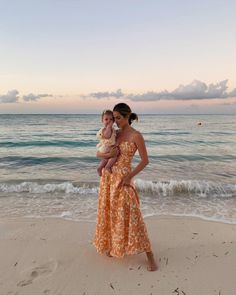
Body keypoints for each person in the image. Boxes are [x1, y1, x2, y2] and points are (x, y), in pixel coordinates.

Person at [93, 103, 158, 271]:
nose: (115, 121)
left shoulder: (136, 135)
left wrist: (129, 177)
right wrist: (108, 155)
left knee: (134, 214)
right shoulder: (115, 133)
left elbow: (145, 161)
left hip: (124, 179)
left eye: (118, 118)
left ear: (127, 116)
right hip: (108, 178)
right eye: (113, 118)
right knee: (111, 212)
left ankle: (150, 255)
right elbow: (98, 153)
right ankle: (113, 246)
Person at [96, 110, 118, 176]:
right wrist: (108, 127)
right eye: (106, 119)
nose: (108, 121)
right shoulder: (104, 130)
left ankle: (99, 168)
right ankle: (108, 167)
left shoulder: (113, 130)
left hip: (106, 148)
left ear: (113, 121)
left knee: (105, 160)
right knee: (114, 156)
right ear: (102, 121)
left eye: (111, 119)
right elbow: (107, 136)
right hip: (106, 147)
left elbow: (114, 137)